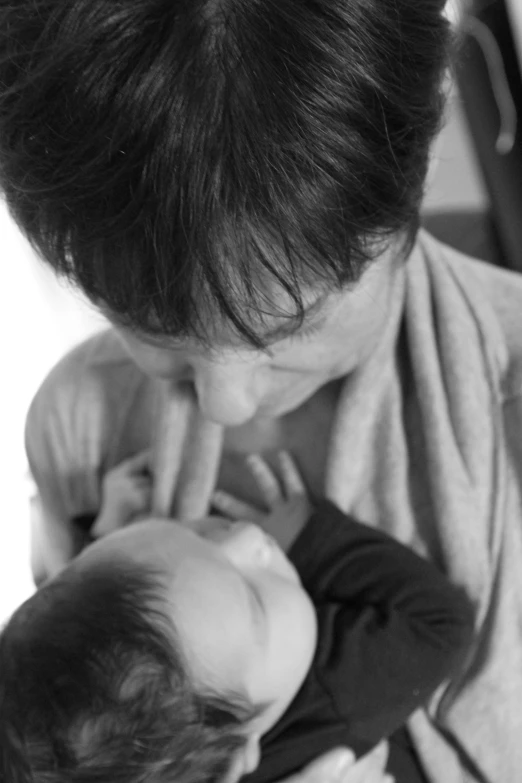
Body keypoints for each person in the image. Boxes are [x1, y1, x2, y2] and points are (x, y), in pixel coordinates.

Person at [0, 0, 521, 781]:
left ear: (415, 174)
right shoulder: (78, 422)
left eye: (293, 322)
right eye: (152, 328)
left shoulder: (503, 395)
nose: (223, 403)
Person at [0, 452, 473, 783]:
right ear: (240, 757)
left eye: (197, 532)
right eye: (253, 598)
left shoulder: (214, 710)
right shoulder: (333, 696)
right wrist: (311, 538)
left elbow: (90, 666)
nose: (249, 538)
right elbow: (441, 622)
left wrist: (106, 529)